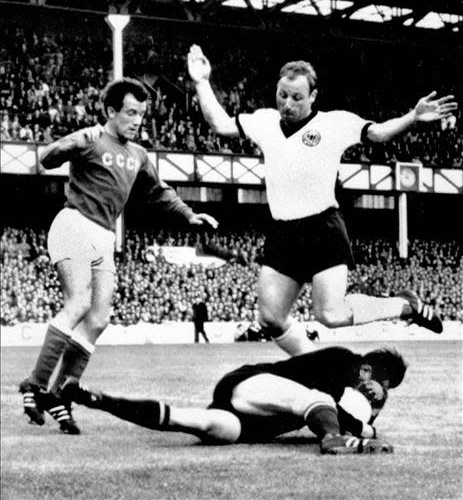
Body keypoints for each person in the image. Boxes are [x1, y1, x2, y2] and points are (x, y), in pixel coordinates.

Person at [187, 44, 458, 357]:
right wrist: (202, 82)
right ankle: (315, 366)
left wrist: (413, 116)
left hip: (322, 228)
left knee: (330, 314)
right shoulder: (263, 121)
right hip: (282, 232)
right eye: (282, 95)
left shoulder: (333, 124)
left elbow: (380, 133)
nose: (287, 103)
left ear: (313, 97)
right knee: (271, 318)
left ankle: (404, 305)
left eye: (297, 97)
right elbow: (220, 124)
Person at [19, 78, 219, 435]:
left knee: (99, 319)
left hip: (103, 236)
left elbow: (159, 192)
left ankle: (60, 394)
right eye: (130, 112)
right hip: (75, 223)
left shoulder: (138, 154)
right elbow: (47, 159)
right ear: (111, 111)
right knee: (78, 303)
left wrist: (189, 215)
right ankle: (34, 385)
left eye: (141, 113)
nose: (137, 119)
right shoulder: (92, 138)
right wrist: (72, 141)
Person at [61, 346, 407, 455]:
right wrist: (366, 427)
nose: (377, 391)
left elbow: (351, 418)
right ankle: (331, 441)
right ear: (366, 371)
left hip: (251, 419)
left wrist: (372, 416)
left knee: (199, 422)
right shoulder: (343, 361)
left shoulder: (350, 392)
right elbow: (343, 415)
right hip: (251, 384)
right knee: (314, 399)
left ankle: (97, 399)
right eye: (382, 383)